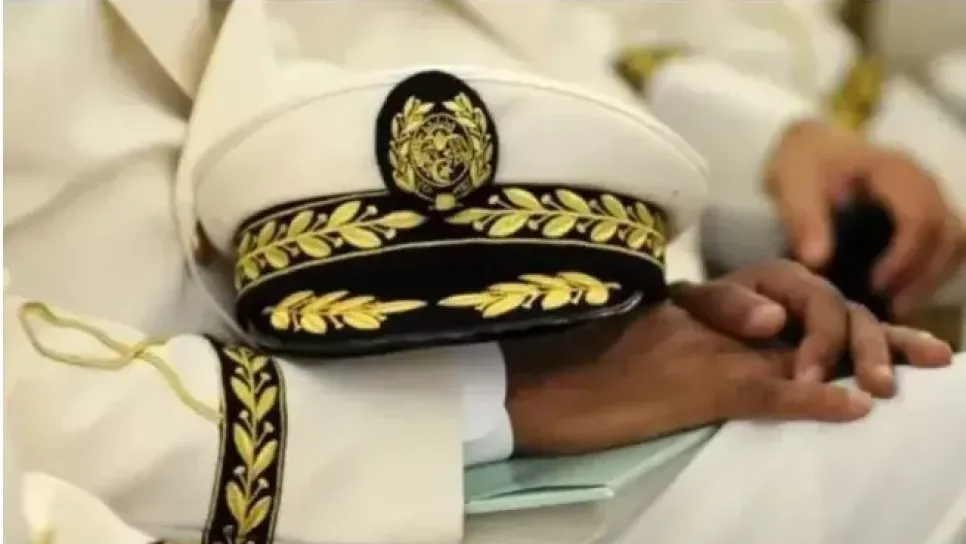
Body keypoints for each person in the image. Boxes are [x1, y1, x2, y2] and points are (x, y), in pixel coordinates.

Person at [4, 2, 966, 543]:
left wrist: (609, 307)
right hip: (205, 491)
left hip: (447, 398)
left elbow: (396, 61)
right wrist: (472, 401)